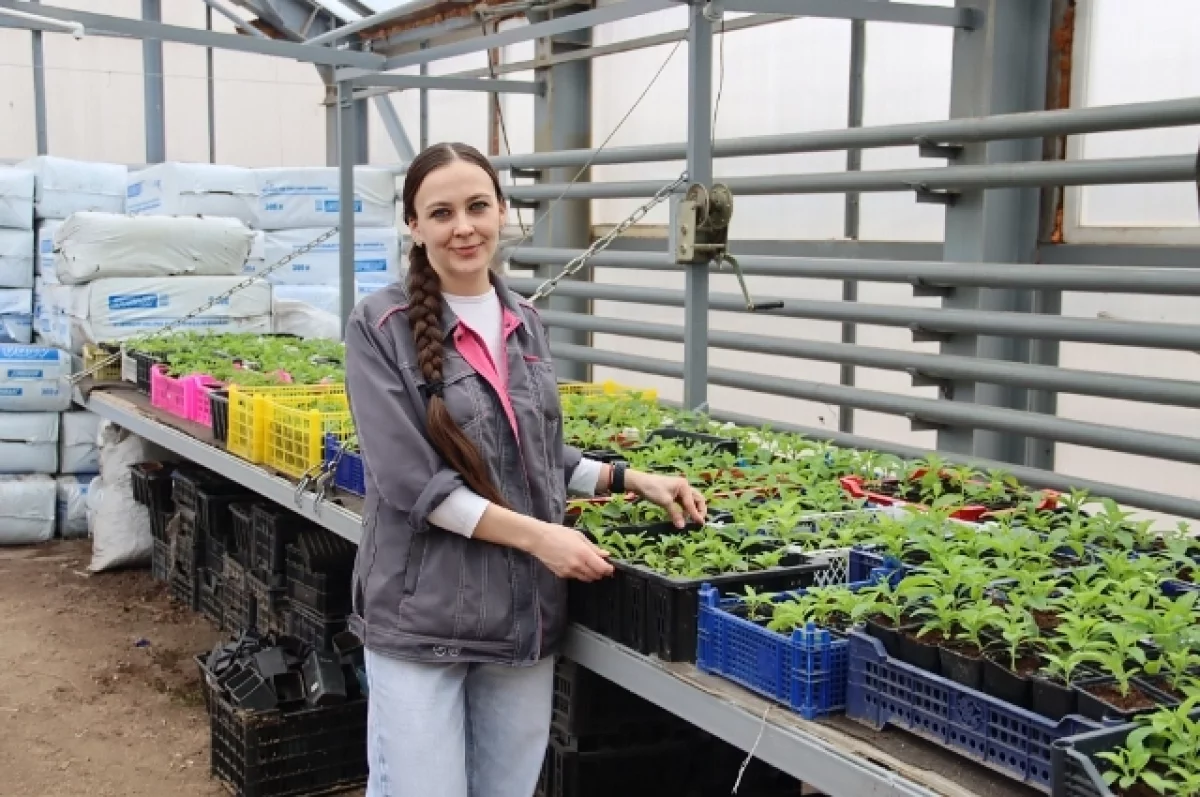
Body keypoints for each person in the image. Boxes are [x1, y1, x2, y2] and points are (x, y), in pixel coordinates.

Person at [343, 141, 708, 797]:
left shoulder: (525, 322)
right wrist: (543, 538)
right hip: (424, 618)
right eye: (442, 212)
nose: (463, 227)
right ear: (414, 225)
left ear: (502, 211)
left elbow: (531, 453)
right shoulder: (380, 326)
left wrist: (629, 479)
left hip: (520, 616)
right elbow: (411, 484)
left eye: (477, 206)